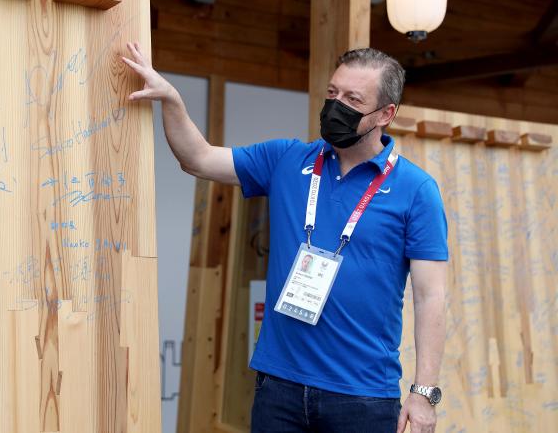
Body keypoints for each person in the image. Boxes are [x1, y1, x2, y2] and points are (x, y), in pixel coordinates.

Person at [122, 43, 448, 433]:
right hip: (280, 388)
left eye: (352, 98)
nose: (336, 105)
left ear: (385, 114)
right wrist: (173, 101)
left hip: (362, 397)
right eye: (332, 93)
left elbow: (431, 297)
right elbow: (198, 158)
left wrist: (423, 393)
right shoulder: (287, 159)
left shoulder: (416, 190)